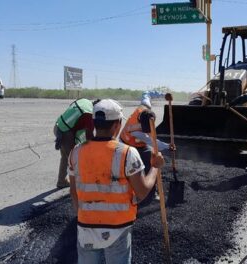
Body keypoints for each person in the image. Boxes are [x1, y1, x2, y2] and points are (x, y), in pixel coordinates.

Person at [68, 99, 165, 264]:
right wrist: (155, 167)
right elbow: (141, 192)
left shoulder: (76, 152)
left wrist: (83, 216)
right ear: (117, 125)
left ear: (94, 123)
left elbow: (73, 191)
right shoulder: (126, 153)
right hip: (118, 228)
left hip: (86, 227)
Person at [119, 96, 173, 204]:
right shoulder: (135, 130)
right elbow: (151, 141)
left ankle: (153, 192)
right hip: (127, 144)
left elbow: (145, 100)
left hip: (140, 143)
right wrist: (168, 146)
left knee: (152, 159)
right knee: (139, 165)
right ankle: (137, 190)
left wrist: (148, 95)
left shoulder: (143, 109)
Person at [53, 98, 94, 188]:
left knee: (65, 157)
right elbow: (89, 135)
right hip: (66, 132)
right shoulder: (89, 114)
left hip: (58, 126)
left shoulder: (84, 101)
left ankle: (61, 181)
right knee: (74, 159)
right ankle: (81, 185)